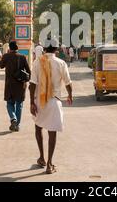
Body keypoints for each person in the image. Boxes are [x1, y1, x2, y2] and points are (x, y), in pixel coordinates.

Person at [29, 38, 73, 174]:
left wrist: (31, 102)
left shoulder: (37, 62)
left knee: (38, 127)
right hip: (54, 101)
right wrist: (70, 95)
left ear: (44, 49)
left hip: (39, 100)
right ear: (56, 49)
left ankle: (41, 157)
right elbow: (68, 82)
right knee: (52, 132)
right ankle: (49, 164)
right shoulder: (61, 63)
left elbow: (32, 84)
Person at [0, 41, 31, 132]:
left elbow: (1, 66)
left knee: (9, 103)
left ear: (10, 48)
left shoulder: (6, 56)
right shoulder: (22, 57)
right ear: (17, 48)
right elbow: (28, 71)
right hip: (20, 85)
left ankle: (13, 118)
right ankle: (17, 125)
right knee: (19, 104)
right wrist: (27, 81)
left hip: (9, 85)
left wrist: (3, 58)